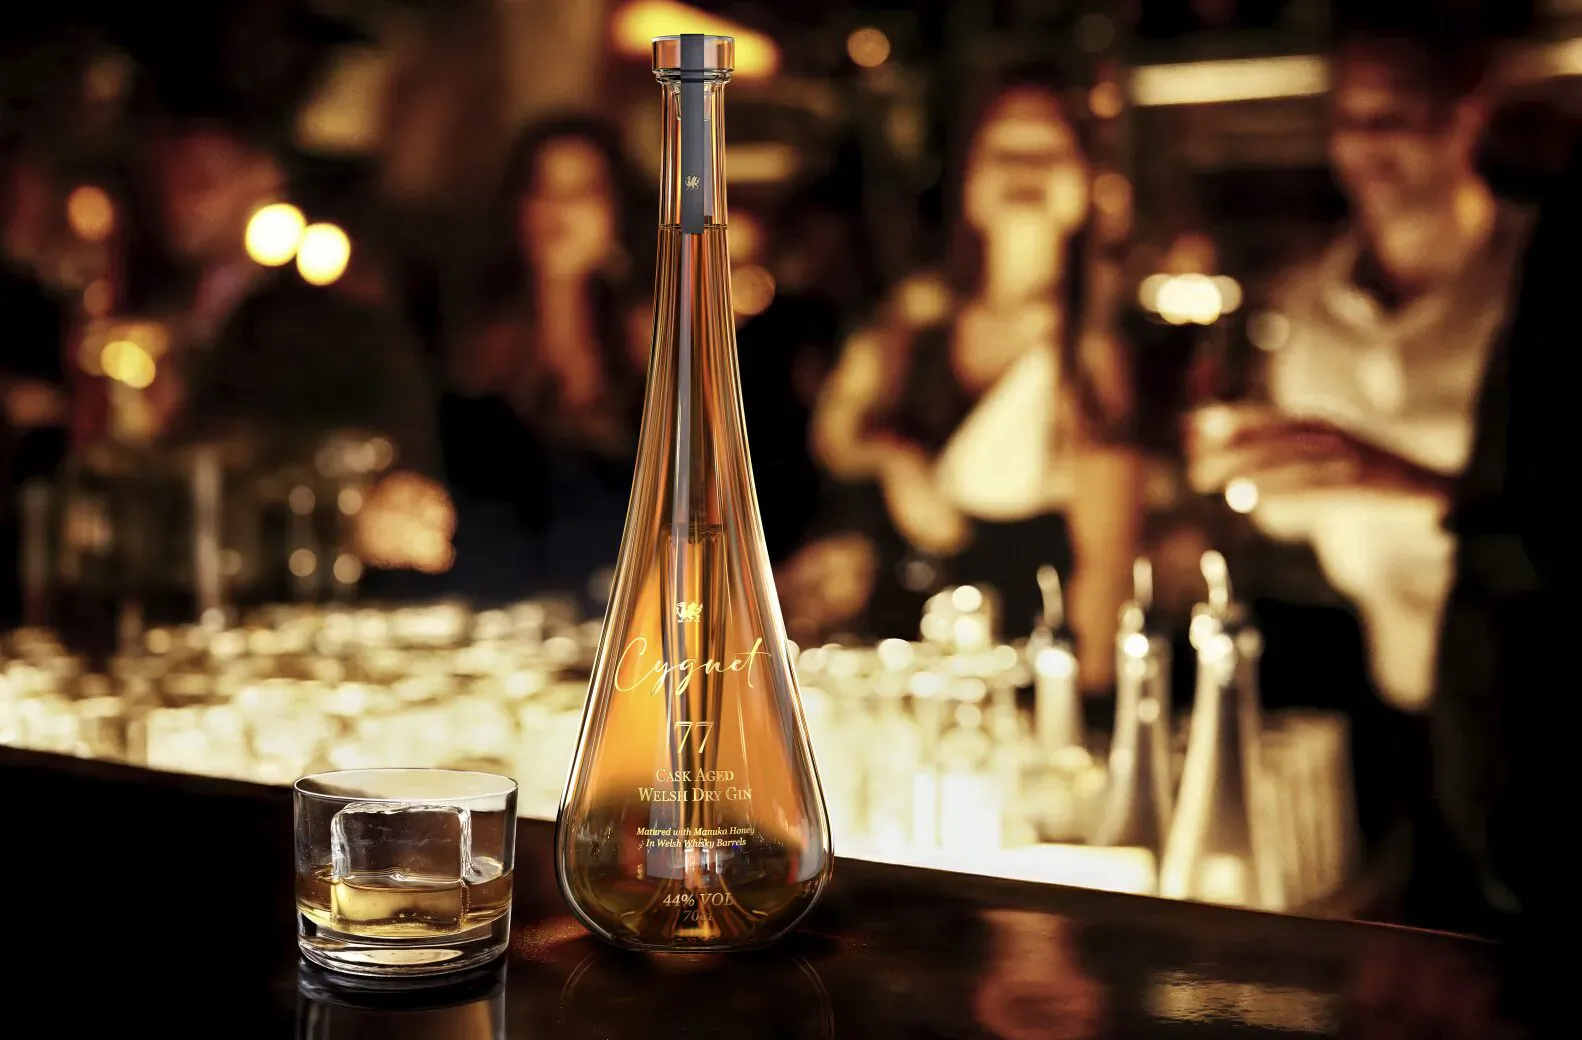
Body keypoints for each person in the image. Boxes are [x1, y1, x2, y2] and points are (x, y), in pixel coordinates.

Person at [1185, 18, 1529, 889]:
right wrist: (1234, 475)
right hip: (1392, 700)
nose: (1369, 146)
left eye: (1399, 117)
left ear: (1467, 117)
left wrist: (1401, 479)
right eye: (1351, 119)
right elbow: (1297, 504)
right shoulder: (1306, 302)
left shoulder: (1534, 284)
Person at [807, 67, 1142, 690]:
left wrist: (1080, 704)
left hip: (1021, 668)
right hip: (896, 658)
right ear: (968, 177)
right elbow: (834, 436)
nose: (1025, 169)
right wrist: (893, 457)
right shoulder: (918, 315)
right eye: (1004, 151)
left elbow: (1105, 562)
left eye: (1047, 151)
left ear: (1087, 179)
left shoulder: (1095, 349)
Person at [136, 104, 452, 581]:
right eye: (172, 179)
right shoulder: (147, 308)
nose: (184, 198)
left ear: (264, 178)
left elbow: (395, 449)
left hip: (294, 589)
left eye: (205, 177)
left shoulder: (333, 323)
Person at [439, 118, 649, 606]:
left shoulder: (654, 348)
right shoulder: (471, 348)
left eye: (582, 191)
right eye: (542, 190)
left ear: (617, 210)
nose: (559, 210)